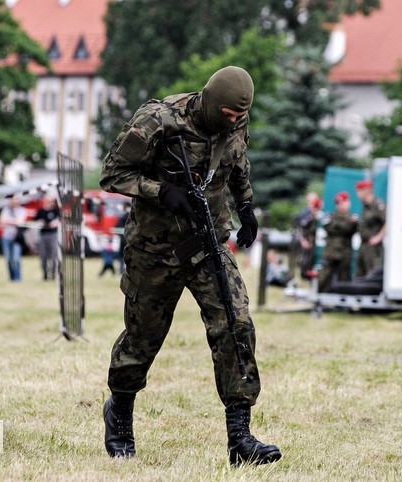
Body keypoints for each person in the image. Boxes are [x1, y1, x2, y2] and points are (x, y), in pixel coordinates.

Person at [99, 65, 281, 466]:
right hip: (155, 248)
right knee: (144, 336)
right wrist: (161, 191)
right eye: (229, 115)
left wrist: (246, 206)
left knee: (235, 324)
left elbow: (238, 164)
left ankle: (240, 437)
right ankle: (121, 414)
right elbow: (112, 174)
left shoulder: (236, 123)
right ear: (212, 102)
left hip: (208, 243)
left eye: (240, 117)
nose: (234, 122)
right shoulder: (158, 120)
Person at [318, 191, 359, 292]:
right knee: (324, 276)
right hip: (330, 252)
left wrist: (338, 225)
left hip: (345, 252)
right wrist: (344, 225)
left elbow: (350, 230)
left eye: (343, 202)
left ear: (348, 203)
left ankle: (343, 301)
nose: (341, 206)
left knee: (344, 278)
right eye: (338, 203)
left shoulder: (352, 217)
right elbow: (329, 228)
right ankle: (320, 296)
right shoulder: (331, 215)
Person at [354, 180, 386, 277]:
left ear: (367, 190)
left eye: (359, 191)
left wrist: (379, 237)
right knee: (360, 275)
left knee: (373, 274)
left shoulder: (378, 204)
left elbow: (388, 222)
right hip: (364, 245)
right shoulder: (365, 206)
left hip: (374, 248)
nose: (357, 194)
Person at [0, 196, 27, 281]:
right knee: (8, 259)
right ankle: (12, 277)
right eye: (13, 199)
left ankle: (17, 278)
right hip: (6, 237)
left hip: (16, 238)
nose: (14, 201)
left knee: (16, 258)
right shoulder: (6, 210)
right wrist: (14, 221)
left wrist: (8, 220)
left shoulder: (22, 210)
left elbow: (20, 222)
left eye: (16, 199)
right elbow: (2, 222)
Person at [34, 194, 60, 280]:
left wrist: (56, 222)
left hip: (53, 234)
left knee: (54, 255)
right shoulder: (40, 211)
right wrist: (39, 222)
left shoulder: (56, 211)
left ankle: (53, 274)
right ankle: (45, 273)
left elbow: (62, 219)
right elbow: (35, 221)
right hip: (43, 235)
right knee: (43, 255)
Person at [296, 192, 322, 280]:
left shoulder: (318, 211)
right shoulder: (306, 212)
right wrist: (303, 240)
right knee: (306, 258)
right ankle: (305, 275)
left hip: (313, 240)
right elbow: (301, 227)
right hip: (307, 239)